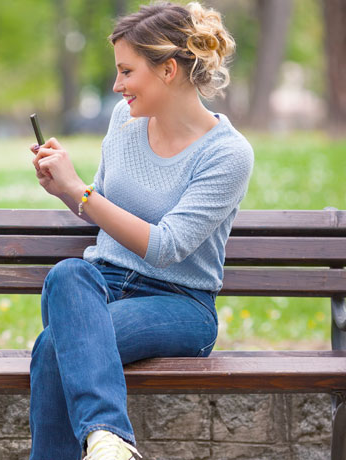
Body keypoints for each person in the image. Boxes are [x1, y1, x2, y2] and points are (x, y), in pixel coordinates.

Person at [27, 3, 253, 459]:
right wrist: (66, 190)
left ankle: (109, 440)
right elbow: (101, 205)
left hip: (180, 302)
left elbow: (166, 246)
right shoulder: (122, 121)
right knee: (68, 274)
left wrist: (83, 194)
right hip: (102, 284)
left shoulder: (227, 153)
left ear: (168, 69)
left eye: (127, 72)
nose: (117, 86)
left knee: (55, 347)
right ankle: (108, 443)